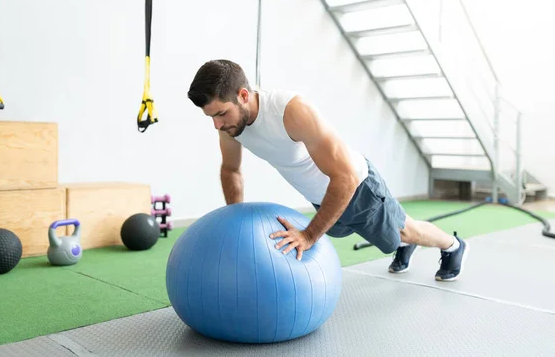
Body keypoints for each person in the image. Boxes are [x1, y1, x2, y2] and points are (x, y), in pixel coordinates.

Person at [187, 59, 468, 281]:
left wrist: (309, 235)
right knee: (390, 232)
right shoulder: (229, 126)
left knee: (405, 231)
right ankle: (401, 240)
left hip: (356, 189)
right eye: (211, 117)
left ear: (243, 95)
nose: (217, 125)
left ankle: (453, 246)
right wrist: (235, 222)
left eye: (221, 113)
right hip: (322, 197)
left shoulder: (291, 111)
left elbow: (344, 177)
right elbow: (231, 170)